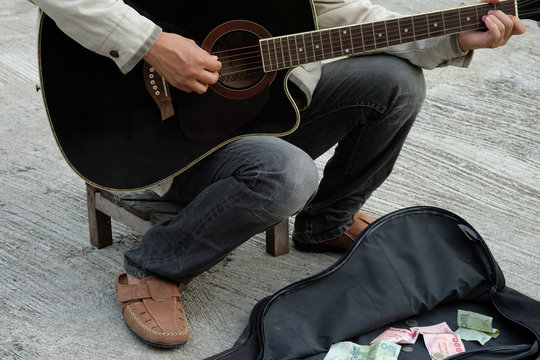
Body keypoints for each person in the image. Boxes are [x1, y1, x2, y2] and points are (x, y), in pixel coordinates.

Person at [28, 0, 526, 348]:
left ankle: (326, 222)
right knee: (286, 174)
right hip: (151, 136)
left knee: (394, 83)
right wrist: (150, 44)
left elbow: (348, 18)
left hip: (250, 117)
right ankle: (155, 267)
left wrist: (453, 35)